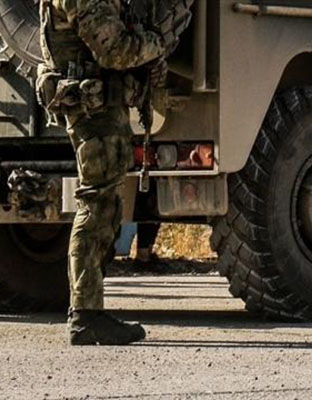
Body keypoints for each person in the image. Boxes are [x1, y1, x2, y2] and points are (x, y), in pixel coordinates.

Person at [37, 0, 192, 345]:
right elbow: (115, 51)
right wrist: (156, 43)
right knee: (96, 206)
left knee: (104, 207)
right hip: (94, 112)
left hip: (101, 110)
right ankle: (86, 315)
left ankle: (90, 311)